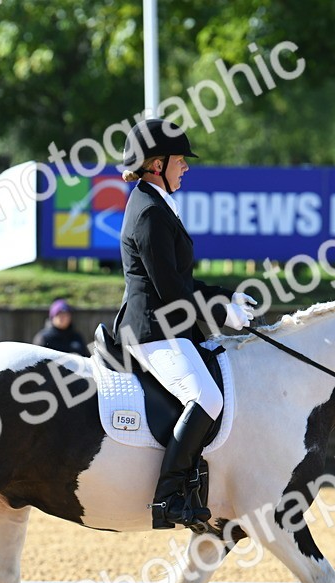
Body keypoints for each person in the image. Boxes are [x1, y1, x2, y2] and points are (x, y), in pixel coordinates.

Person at [113, 118, 256, 530]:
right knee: (207, 398)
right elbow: (173, 290)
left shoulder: (155, 204)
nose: (186, 167)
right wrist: (219, 311)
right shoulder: (149, 214)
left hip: (168, 326)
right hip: (153, 331)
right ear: (156, 164)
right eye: (180, 160)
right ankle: (170, 496)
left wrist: (224, 295)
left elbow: (182, 279)